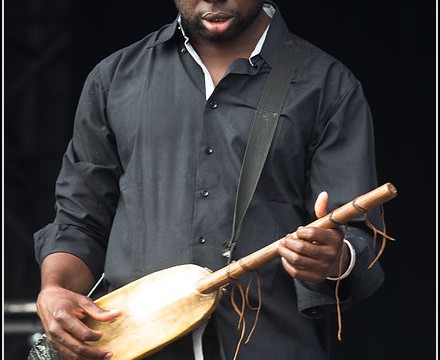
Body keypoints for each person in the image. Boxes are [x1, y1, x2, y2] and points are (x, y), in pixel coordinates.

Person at [33, 1, 385, 359]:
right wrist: (55, 289)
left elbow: (357, 239)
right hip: (135, 347)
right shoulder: (114, 79)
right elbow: (79, 221)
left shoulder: (329, 85)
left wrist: (335, 256)